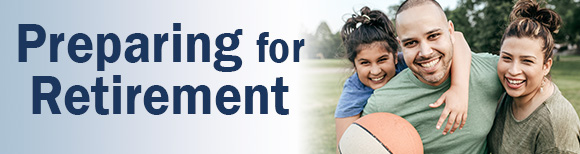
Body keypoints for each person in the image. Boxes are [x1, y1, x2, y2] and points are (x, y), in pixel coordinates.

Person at [362, 0, 505, 153]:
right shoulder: (382, 103)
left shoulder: (492, 70)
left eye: (433, 36)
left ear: (450, 31)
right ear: (400, 45)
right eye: (411, 43)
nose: (425, 52)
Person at [334, 6, 472, 145]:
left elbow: (457, 37)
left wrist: (458, 89)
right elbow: (344, 145)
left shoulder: (409, 61)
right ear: (354, 65)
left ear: (395, 56)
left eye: (382, 60)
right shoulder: (353, 91)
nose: (375, 71)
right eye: (365, 63)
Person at [487, 0, 580, 153]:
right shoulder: (506, 93)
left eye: (527, 61)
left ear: (546, 66)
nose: (513, 70)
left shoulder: (554, 124)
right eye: (507, 58)